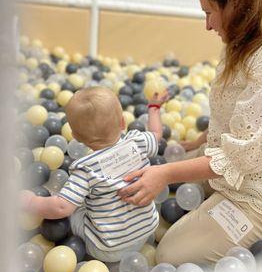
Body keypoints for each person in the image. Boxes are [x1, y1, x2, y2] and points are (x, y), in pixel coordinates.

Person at [118, 0, 262, 266]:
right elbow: (235, 117)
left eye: (209, 12)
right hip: (235, 167)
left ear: (237, 4)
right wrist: (195, 144)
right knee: (167, 166)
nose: (207, 25)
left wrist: (164, 174)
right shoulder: (242, 42)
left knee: (169, 255)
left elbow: (242, 154)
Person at [20, 86, 168, 262]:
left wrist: (31, 202)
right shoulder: (137, 142)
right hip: (146, 230)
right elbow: (157, 134)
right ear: (122, 122)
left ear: (76, 137)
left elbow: (61, 207)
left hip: (108, 248)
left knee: (75, 210)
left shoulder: (85, 168)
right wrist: (154, 108)